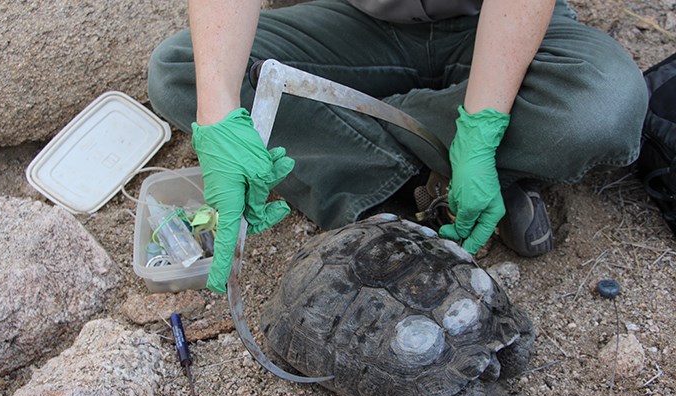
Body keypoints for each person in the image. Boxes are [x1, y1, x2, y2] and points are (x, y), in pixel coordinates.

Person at [147, 0, 648, 293]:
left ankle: (376, 137)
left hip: (499, 25)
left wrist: (483, 126)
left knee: (600, 106)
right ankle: (417, 183)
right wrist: (217, 121)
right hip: (353, 25)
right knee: (183, 69)